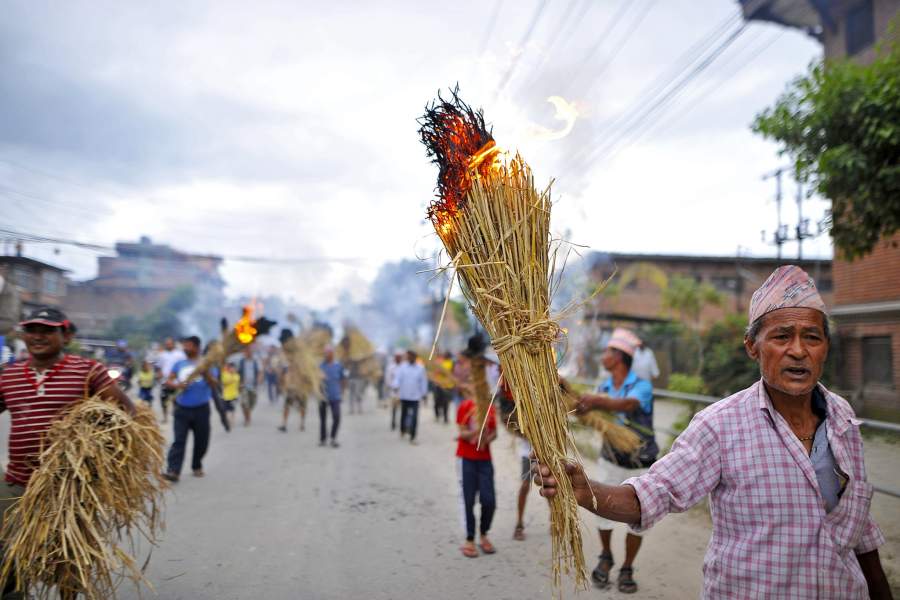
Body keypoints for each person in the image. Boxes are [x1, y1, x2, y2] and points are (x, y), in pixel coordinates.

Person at [533, 266, 892, 600]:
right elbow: (657, 492)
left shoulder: (843, 418)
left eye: (812, 337)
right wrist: (585, 491)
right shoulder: (719, 425)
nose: (798, 350)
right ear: (752, 346)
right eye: (782, 336)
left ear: (824, 348)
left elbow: (860, 531)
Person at [0, 308, 135, 599]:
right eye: (31, 329)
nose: (38, 336)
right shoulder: (8, 376)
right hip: (17, 481)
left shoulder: (89, 371)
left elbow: (124, 413)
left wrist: (95, 449)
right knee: (5, 553)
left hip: (69, 487)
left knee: (68, 557)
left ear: (66, 335)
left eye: (48, 330)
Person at [573, 327, 657, 592]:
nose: (603, 356)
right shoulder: (603, 386)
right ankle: (606, 556)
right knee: (602, 509)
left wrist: (597, 401)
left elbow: (628, 405)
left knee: (640, 517)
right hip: (610, 458)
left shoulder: (641, 386)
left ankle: (627, 566)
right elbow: (597, 418)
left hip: (640, 461)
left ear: (619, 357)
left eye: (608, 351)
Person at [163, 336, 217, 482]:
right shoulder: (179, 363)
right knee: (179, 440)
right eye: (184, 345)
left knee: (202, 441)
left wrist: (205, 373)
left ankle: (196, 465)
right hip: (182, 408)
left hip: (201, 409)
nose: (185, 348)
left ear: (197, 347)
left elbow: (214, 384)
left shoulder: (207, 364)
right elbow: (168, 381)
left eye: (189, 346)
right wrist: (176, 386)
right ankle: (173, 470)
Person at [456, 386, 498, 558]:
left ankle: (484, 533)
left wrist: (486, 438)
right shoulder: (464, 407)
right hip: (466, 459)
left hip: (485, 460)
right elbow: (462, 432)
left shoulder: (490, 409)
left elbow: (494, 432)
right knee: (468, 499)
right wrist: (476, 432)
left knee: (489, 500)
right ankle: (470, 538)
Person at [393, 350, 428, 444]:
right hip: (404, 395)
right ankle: (402, 429)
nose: (410, 357)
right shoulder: (402, 367)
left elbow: (423, 382)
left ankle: (413, 436)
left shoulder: (421, 368)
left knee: (414, 416)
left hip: (415, 396)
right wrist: (395, 386)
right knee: (404, 414)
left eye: (411, 356)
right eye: (408, 356)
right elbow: (397, 379)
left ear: (415, 357)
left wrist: (424, 394)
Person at [155, 337, 186, 424]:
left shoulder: (180, 354)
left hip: (176, 382)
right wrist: (159, 375)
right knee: (164, 400)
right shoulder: (162, 355)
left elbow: (183, 366)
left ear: (173, 344)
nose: (168, 345)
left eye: (170, 343)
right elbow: (159, 367)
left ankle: (178, 415)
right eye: (167, 344)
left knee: (177, 400)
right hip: (165, 382)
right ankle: (165, 417)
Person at [319, 347, 345, 448]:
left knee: (337, 417)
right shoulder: (320, 366)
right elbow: (316, 380)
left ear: (332, 354)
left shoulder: (338, 366)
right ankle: (323, 439)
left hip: (335, 396)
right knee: (323, 419)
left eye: (327, 353)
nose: (326, 355)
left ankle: (333, 438)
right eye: (324, 353)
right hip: (323, 396)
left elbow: (343, 379)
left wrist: (342, 391)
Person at [238, 345, 262, 427]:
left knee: (252, 403)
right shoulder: (242, 361)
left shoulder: (255, 361)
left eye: (249, 351)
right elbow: (238, 372)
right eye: (247, 351)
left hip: (253, 385)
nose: (248, 353)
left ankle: (248, 415)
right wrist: (239, 383)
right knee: (245, 403)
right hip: (244, 386)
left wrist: (258, 380)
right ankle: (247, 419)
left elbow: (259, 372)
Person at [431, 351, 455, 424]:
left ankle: (445, 418)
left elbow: (451, 372)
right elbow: (435, 371)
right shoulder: (440, 362)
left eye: (446, 354)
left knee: (446, 403)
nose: (444, 355)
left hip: (447, 386)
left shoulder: (452, 363)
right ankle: (437, 415)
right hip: (439, 385)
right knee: (437, 401)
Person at [220, 362, 240, 430]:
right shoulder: (225, 374)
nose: (233, 369)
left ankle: (231, 423)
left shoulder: (237, 375)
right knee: (225, 411)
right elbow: (225, 382)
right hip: (225, 396)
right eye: (231, 368)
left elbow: (236, 381)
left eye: (234, 368)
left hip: (234, 396)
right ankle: (228, 422)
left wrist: (232, 375)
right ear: (229, 368)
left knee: (232, 410)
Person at [386, 352, 403, 431]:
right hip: (394, 391)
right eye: (397, 357)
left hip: (403, 391)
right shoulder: (391, 368)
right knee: (394, 408)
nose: (398, 359)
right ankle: (393, 422)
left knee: (402, 408)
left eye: (399, 357)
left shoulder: (404, 367)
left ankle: (402, 424)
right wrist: (391, 387)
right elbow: (388, 379)